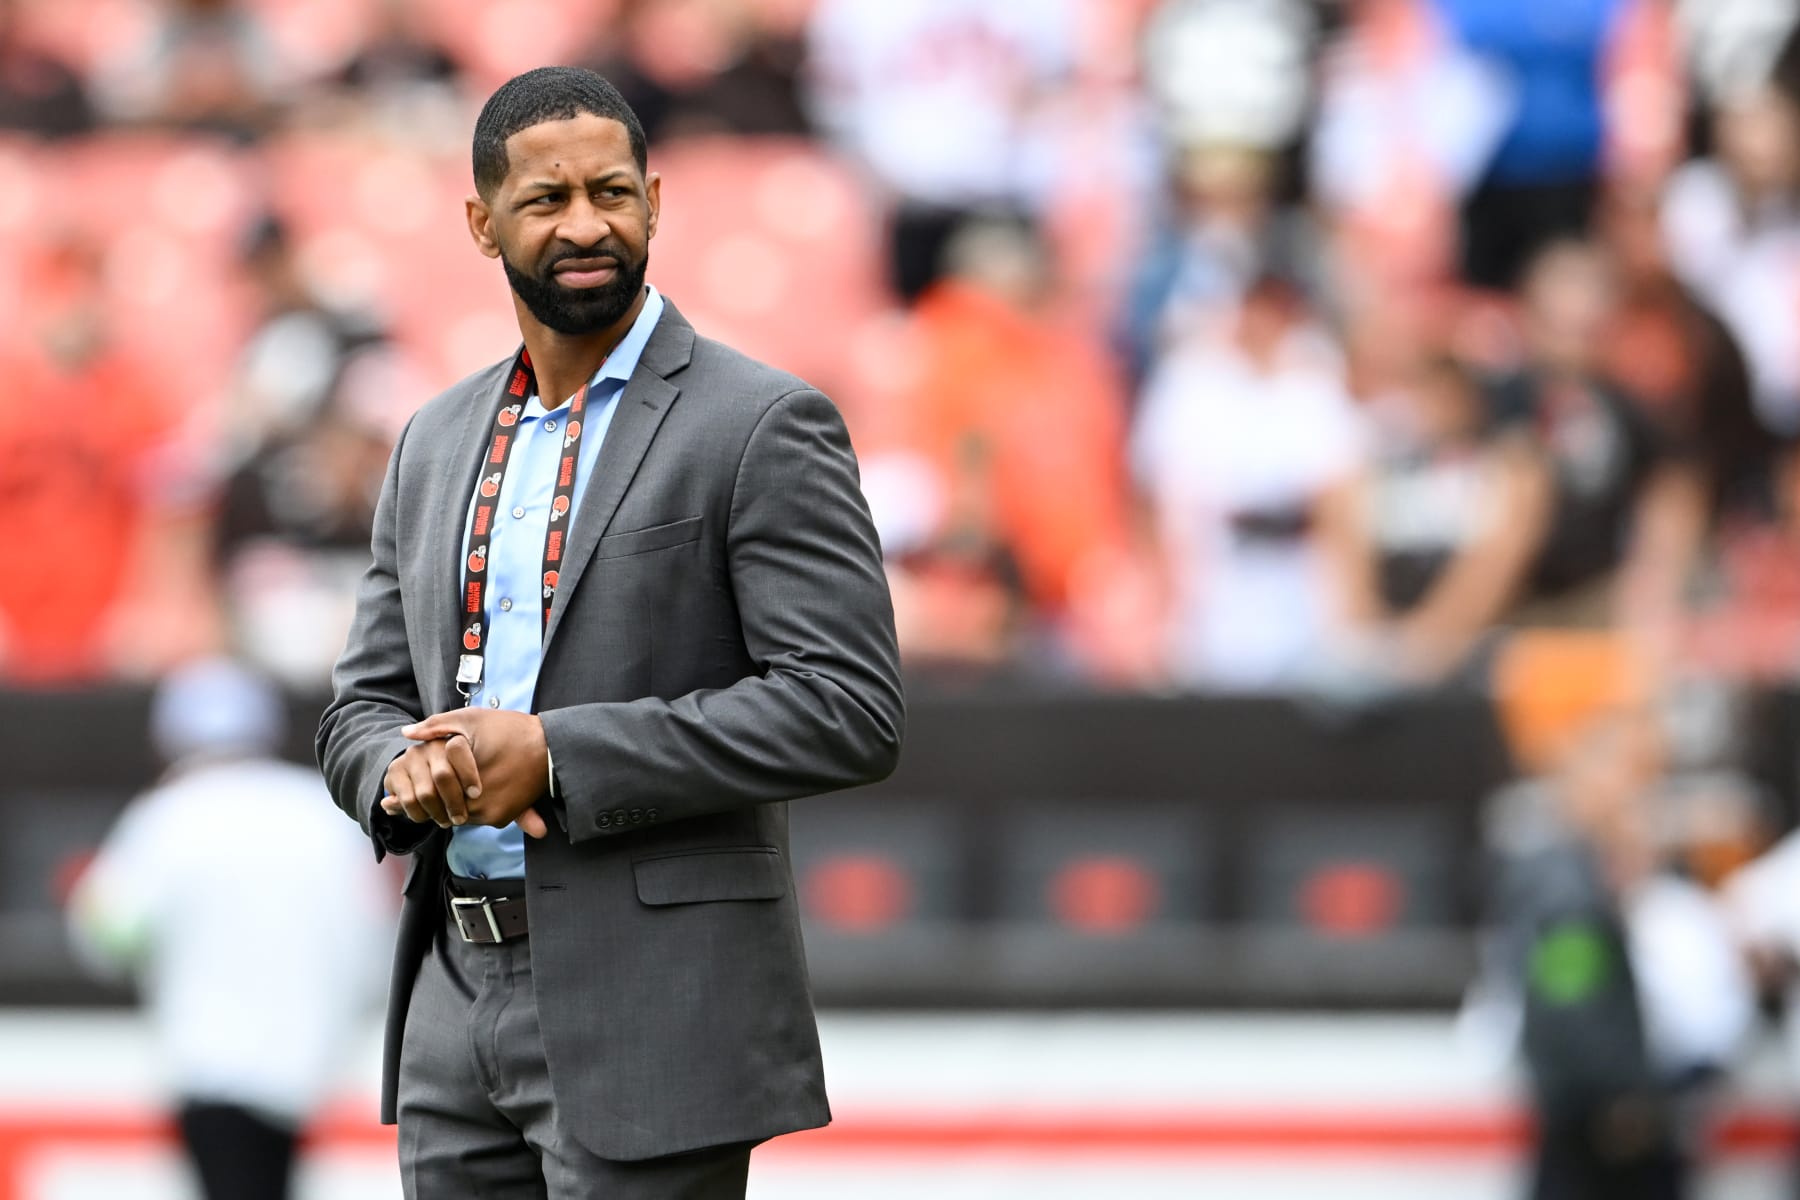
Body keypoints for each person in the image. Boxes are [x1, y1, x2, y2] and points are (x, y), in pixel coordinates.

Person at [315, 66, 904, 1198]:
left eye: (613, 192)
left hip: (653, 1010)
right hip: (451, 996)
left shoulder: (761, 423)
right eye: (546, 200)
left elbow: (848, 710)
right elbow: (358, 707)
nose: (586, 224)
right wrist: (404, 774)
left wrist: (555, 757)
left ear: (656, 201)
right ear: (482, 223)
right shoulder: (434, 440)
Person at [67, 658, 390, 1200]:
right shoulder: (321, 812)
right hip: (309, 1065)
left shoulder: (169, 814)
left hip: (210, 1065)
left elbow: (107, 933)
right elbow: (375, 935)